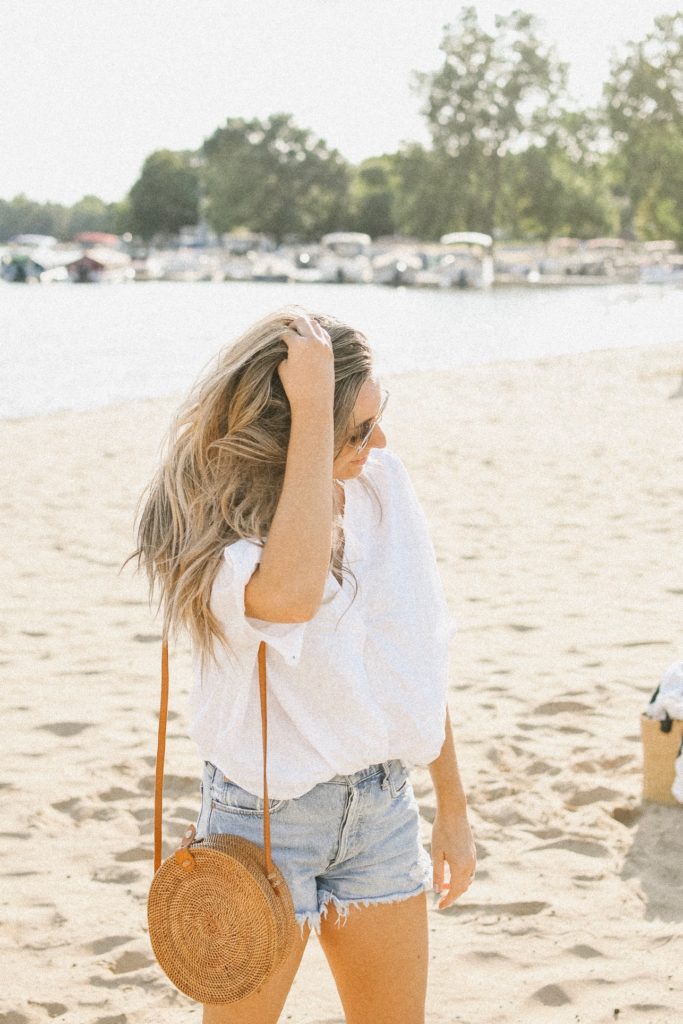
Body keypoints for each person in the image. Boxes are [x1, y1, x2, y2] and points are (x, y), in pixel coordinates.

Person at [132, 306, 476, 1024]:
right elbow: (287, 597)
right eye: (356, 429)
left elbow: (412, 654)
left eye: (379, 419)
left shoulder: (381, 487)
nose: (377, 443)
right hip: (262, 821)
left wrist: (452, 809)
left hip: (381, 809)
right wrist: (315, 406)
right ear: (293, 434)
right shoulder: (214, 529)